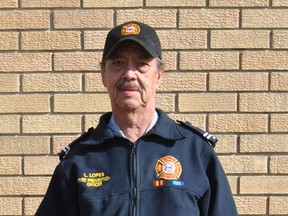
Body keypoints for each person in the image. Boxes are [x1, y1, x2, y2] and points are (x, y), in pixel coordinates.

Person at [36, 21, 238, 216]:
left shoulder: (196, 153)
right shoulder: (79, 160)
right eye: (118, 63)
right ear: (103, 75)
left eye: (141, 64)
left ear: (159, 75)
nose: (129, 74)